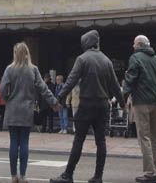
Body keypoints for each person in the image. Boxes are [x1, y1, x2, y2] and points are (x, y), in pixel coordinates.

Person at [49, 30, 121, 183]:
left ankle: (68, 175)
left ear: (86, 44)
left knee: (79, 139)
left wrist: (58, 98)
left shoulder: (82, 59)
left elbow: (71, 81)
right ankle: (98, 176)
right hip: (102, 105)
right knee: (100, 141)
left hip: (86, 104)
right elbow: (115, 86)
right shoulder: (107, 61)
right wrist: (122, 103)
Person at [0, 42, 58, 183]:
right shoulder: (33, 69)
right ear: (27, 53)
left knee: (13, 142)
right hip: (26, 110)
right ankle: (24, 176)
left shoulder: (9, 69)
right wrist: (53, 102)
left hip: (12, 110)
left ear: (15, 53)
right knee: (24, 142)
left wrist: (8, 98)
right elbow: (43, 88)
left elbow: (2, 90)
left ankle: (14, 176)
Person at [122, 35, 156, 183]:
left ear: (139, 44)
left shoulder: (135, 57)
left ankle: (150, 173)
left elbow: (131, 78)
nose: (132, 46)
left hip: (141, 102)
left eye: (134, 43)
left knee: (144, 137)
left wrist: (123, 98)